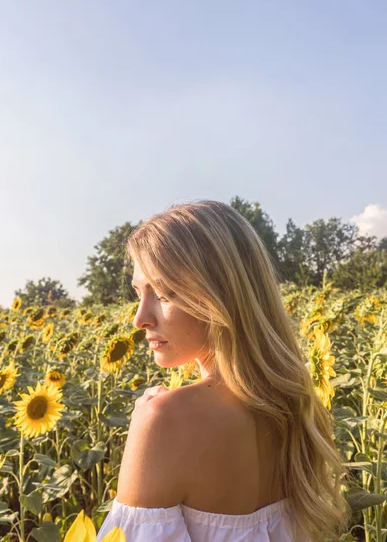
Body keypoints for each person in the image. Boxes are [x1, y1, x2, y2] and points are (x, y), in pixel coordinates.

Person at [97, 200, 351, 542]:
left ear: (218, 296)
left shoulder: (164, 419)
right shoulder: (292, 406)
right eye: (139, 293)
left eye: (163, 293)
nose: (140, 318)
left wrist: (149, 414)